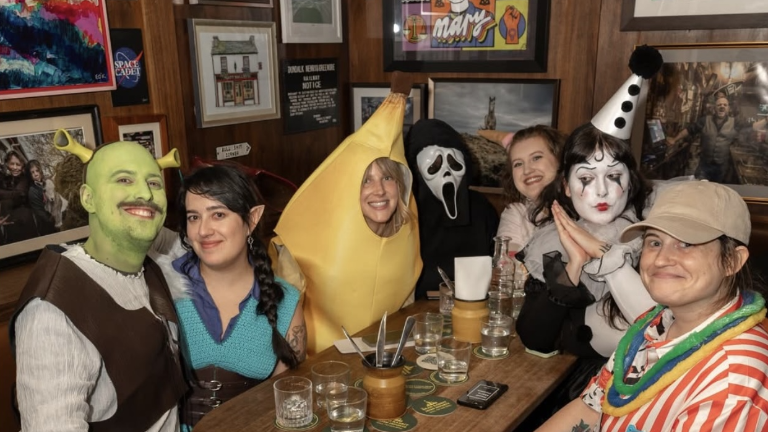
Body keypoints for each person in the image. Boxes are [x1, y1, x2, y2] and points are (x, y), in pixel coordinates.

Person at [538, 180, 768, 432]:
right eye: (655, 242)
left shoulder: (734, 378)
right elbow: (590, 407)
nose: (661, 259)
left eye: (686, 243)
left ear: (732, 261)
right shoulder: (655, 323)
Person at [11, 129, 186, 431]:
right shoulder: (51, 311)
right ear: (88, 198)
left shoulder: (148, 260)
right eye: (124, 180)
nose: (145, 194)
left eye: (154, 182)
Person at [270, 72, 422, 355]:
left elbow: (406, 309)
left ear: (401, 185)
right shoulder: (305, 246)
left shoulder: (407, 232)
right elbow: (285, 320)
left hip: (386, 362)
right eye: (365, 180)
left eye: (387, 178)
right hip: (322, 369)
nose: (379, 190)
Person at [151, 164, 306, 429]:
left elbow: (288, 407)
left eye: (218, 214)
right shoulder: (161, 289)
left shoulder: (286, 302)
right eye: (193, 217)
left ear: (253, 219)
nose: (203, 231)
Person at [405, 118, 500, 300]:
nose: (447, 173)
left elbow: (498, 264)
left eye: (455, 164)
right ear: (417, 170)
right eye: (434, 166)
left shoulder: (481, 208)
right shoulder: (406, 212)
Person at [497, 125, 566, 253]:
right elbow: (508, 267)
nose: (527, 170)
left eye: (536, 157)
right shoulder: (516, 213)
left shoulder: (589, 206)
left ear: (560, 160)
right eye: (518, 164)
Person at [666, 96, 762, 183]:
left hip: (722, 167)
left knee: (717, 191)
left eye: (725, 105)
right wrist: (675, 139)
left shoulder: (735, 122)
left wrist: (766, 119)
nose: (722, 106)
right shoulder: (704, 120)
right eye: (719, 105)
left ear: (728, 108)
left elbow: (753, 126)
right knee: (700, 188)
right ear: (714, 108)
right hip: (704, 165)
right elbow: (689, 130)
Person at [0, 150, 37, 243]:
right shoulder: (4, 178)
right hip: (7, 222)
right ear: (7, 164)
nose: (15, 168)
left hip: (24, 220)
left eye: (18, 164)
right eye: (12, 164)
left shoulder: (25, 179)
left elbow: (18, 193)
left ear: (22, 166)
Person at [26, 159, 56, 236]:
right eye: (32, 172)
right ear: (29, 175)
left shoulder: (46, 183)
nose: (36, 174)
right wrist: (51, 220)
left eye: (37, 171)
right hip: (47, 224)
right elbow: (39, 211)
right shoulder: (32, 191)